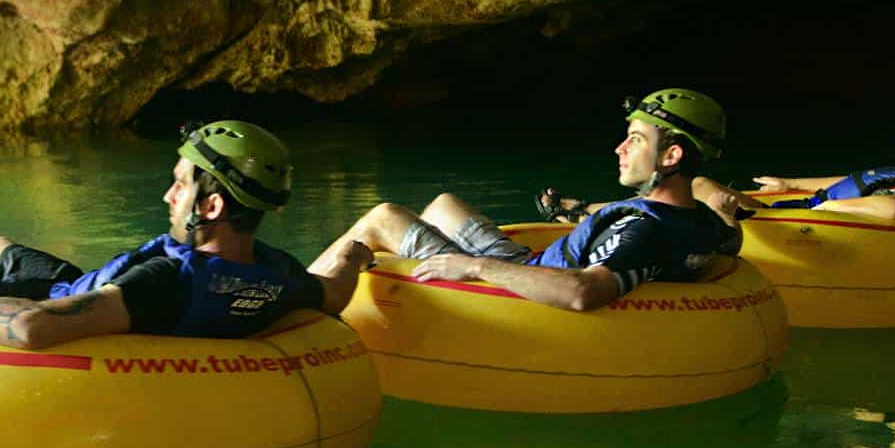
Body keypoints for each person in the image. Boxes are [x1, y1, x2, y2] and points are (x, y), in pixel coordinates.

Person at [0, 121, 371, 348]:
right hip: (81, 280)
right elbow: (336, 291)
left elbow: (33, 328)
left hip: (73, 296)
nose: (168, 198)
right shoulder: (277, 272)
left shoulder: (164, 282)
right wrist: (356, 252)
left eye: (178, 186)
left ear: (211, 206)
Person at [308, 89, 743, 313]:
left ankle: (308, 301)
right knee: (442, 204)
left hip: (532, 280)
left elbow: (582, 292)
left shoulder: (644, 228)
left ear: (672, 156)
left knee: (382, 218)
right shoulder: (703, 221)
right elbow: (726, 238)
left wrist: (473, 267)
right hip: (533, 260)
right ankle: (418, 290)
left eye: (634, 140)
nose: (619, 149)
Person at [714, 85, 895, 220]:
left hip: (793, 222)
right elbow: (853, 181)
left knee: (702, 188)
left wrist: (826, 208)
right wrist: (790, 184)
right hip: (789, 214)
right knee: (701, 186)